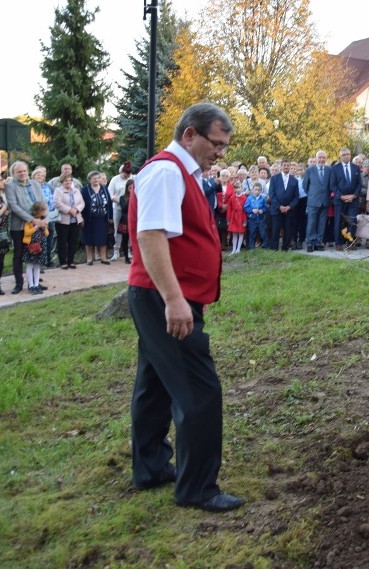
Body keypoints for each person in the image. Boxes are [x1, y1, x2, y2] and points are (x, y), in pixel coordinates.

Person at [127, 102, 244, 512]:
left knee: (156, 385)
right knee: (199, 390)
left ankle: (152, 466)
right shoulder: (165, 171)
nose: (221, 153)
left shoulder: (184, 173)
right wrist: (175, 300)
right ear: (190, 134)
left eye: (225, 147)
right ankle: (198, 487)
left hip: (164, 295)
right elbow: (152, 236)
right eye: (217, 144)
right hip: (165, 297)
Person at [4, 161, 48, 294]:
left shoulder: (35, 184)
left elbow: (43, 202)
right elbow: (14, 206)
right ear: (14, 173)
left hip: (37, 226)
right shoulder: (10, 186)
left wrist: (44, 218)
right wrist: (32, 219)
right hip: (20, 226)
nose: (22, 173)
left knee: (35, 254)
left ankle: (34, 284)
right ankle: (18, 284)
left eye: (24, 171)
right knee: (18, 255)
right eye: (19, 172)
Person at [330, 148, 362, 251]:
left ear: (350, 155)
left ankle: (350, 242)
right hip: (340, 200)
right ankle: (338, 243)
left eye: (348, 154)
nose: (346, 156)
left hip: (353, 200)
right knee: (338, 222)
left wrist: (353, 196)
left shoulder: (356, 168)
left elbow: (359, 184)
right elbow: (333, 185)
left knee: (352, 221)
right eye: (343, 155)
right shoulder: (335, 168)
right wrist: (341, 196)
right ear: (340, 156)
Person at [81, 171, 113, 265]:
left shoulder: (104, 188)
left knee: (102, 239)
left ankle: (103, 258)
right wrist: (81, 218)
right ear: (90, 180)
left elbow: (109, 203)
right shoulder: (84, 190)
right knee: (89, 238)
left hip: (102, 218)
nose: (96, 180)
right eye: (94, 178)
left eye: (98, 178)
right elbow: (81, 204)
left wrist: (110, 216)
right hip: (89, 219)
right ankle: (89, 258)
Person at [53, 174, 85, 269]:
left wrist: (76, 209)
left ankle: (71, 260)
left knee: (73, 241)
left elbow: (82, 202)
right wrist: (69, 210)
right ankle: (63, 261)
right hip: (63, 220)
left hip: (75, 220)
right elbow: (57, 203)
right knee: (62, 242)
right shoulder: (58, 191)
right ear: (62, 182)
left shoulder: (76, 191)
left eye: (70, 180)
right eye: (66, 181)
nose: (68, 182)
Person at [268, 160, 299, 250]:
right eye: (284, 165)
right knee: (275, 230)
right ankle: (274, 248)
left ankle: (285, 248)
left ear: (290, 167)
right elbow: (271, 194)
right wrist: (279, 206)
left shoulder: (294, 180)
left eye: (287, 165)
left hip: (289, 210)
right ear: (281, 166)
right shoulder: (274, 178)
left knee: (288, 230)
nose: (286, 167)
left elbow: (296, 197)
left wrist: (289, 207)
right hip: (276, 209)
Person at [303, 150, 332, 252]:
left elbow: (330, 185)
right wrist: (312, 194)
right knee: (311, 223)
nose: (321, 159)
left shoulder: (329, 170)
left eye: (323, 157)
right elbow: (305, 186)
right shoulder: (309, 170)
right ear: (315, 159)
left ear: (326, 159)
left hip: (325, 201)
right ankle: (310, 243)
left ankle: (318, 243)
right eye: (319, 157)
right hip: (313, 201)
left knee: (322, 223)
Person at [22, 202, 50, 295]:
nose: (45, 212)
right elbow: (27, 233)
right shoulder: (30, 220)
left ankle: (36, 284)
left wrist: (45, 227)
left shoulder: (43, 220)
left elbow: (47, 234)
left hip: (41, 245)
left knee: (37, 265)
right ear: (39, 211)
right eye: (43, 210)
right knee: (30, 265)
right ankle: (31, 285)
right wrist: (37, 226)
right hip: (31, 246)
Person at [108, 161, 135, 261]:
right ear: (121, 171)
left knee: (130, 230)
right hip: (119, 208)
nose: (127, 176)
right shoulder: (115, 179)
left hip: (131, 209)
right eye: (125, 174)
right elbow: (110, 193)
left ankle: (128, 250)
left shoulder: (133, 178)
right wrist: (121, 201)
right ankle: (116, 250)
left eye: (128, 174)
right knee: (117, 230)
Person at [33, 166, 58, 269]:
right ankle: (38, 263)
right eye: (38, 174)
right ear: (33, 176)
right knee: (38, 239)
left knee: (49, 239)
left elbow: (53, 199)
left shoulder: (48, 186)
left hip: (49, 217)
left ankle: (48, 260)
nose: (40, 176)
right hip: (37, 217)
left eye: (42, 175)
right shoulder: (31, 186)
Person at [225, 180, 247, 255]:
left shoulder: (244, 198)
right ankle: (234, 249)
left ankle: (238, 249)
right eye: (236, 188)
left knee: (241, 233)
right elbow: (229, 209)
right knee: (234, 233)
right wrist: (228, 219)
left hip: (241, 216)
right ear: (234, 189)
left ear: (242, 188)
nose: (238, 189)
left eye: (239, 187)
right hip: (234, 217)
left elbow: (245, 210)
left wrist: (245, 221)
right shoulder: (232, 198)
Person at [244, 182, 268, 248]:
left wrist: (262, 210)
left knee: (263, 233)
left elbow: (265, 207)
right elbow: (246, 207)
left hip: (261, 219)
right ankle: (251, 248)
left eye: (259, 190)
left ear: (261, 191)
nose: (257, 191)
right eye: (255, 189)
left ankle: (266, 246)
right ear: (253, 190)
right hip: (252, 219)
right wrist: (252, 210)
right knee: (252, 233)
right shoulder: (249, 198)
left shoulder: (262, 198)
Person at [118, 179, 133, 263]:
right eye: (130, 187)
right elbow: (123, 209)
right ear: (127, 188)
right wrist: (130, 199)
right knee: (125, 239)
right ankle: (126, 257)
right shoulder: (122, 198)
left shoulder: (138, 196)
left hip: (135, 219)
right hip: (125, 219)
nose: (132, 189)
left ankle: (134, 255)